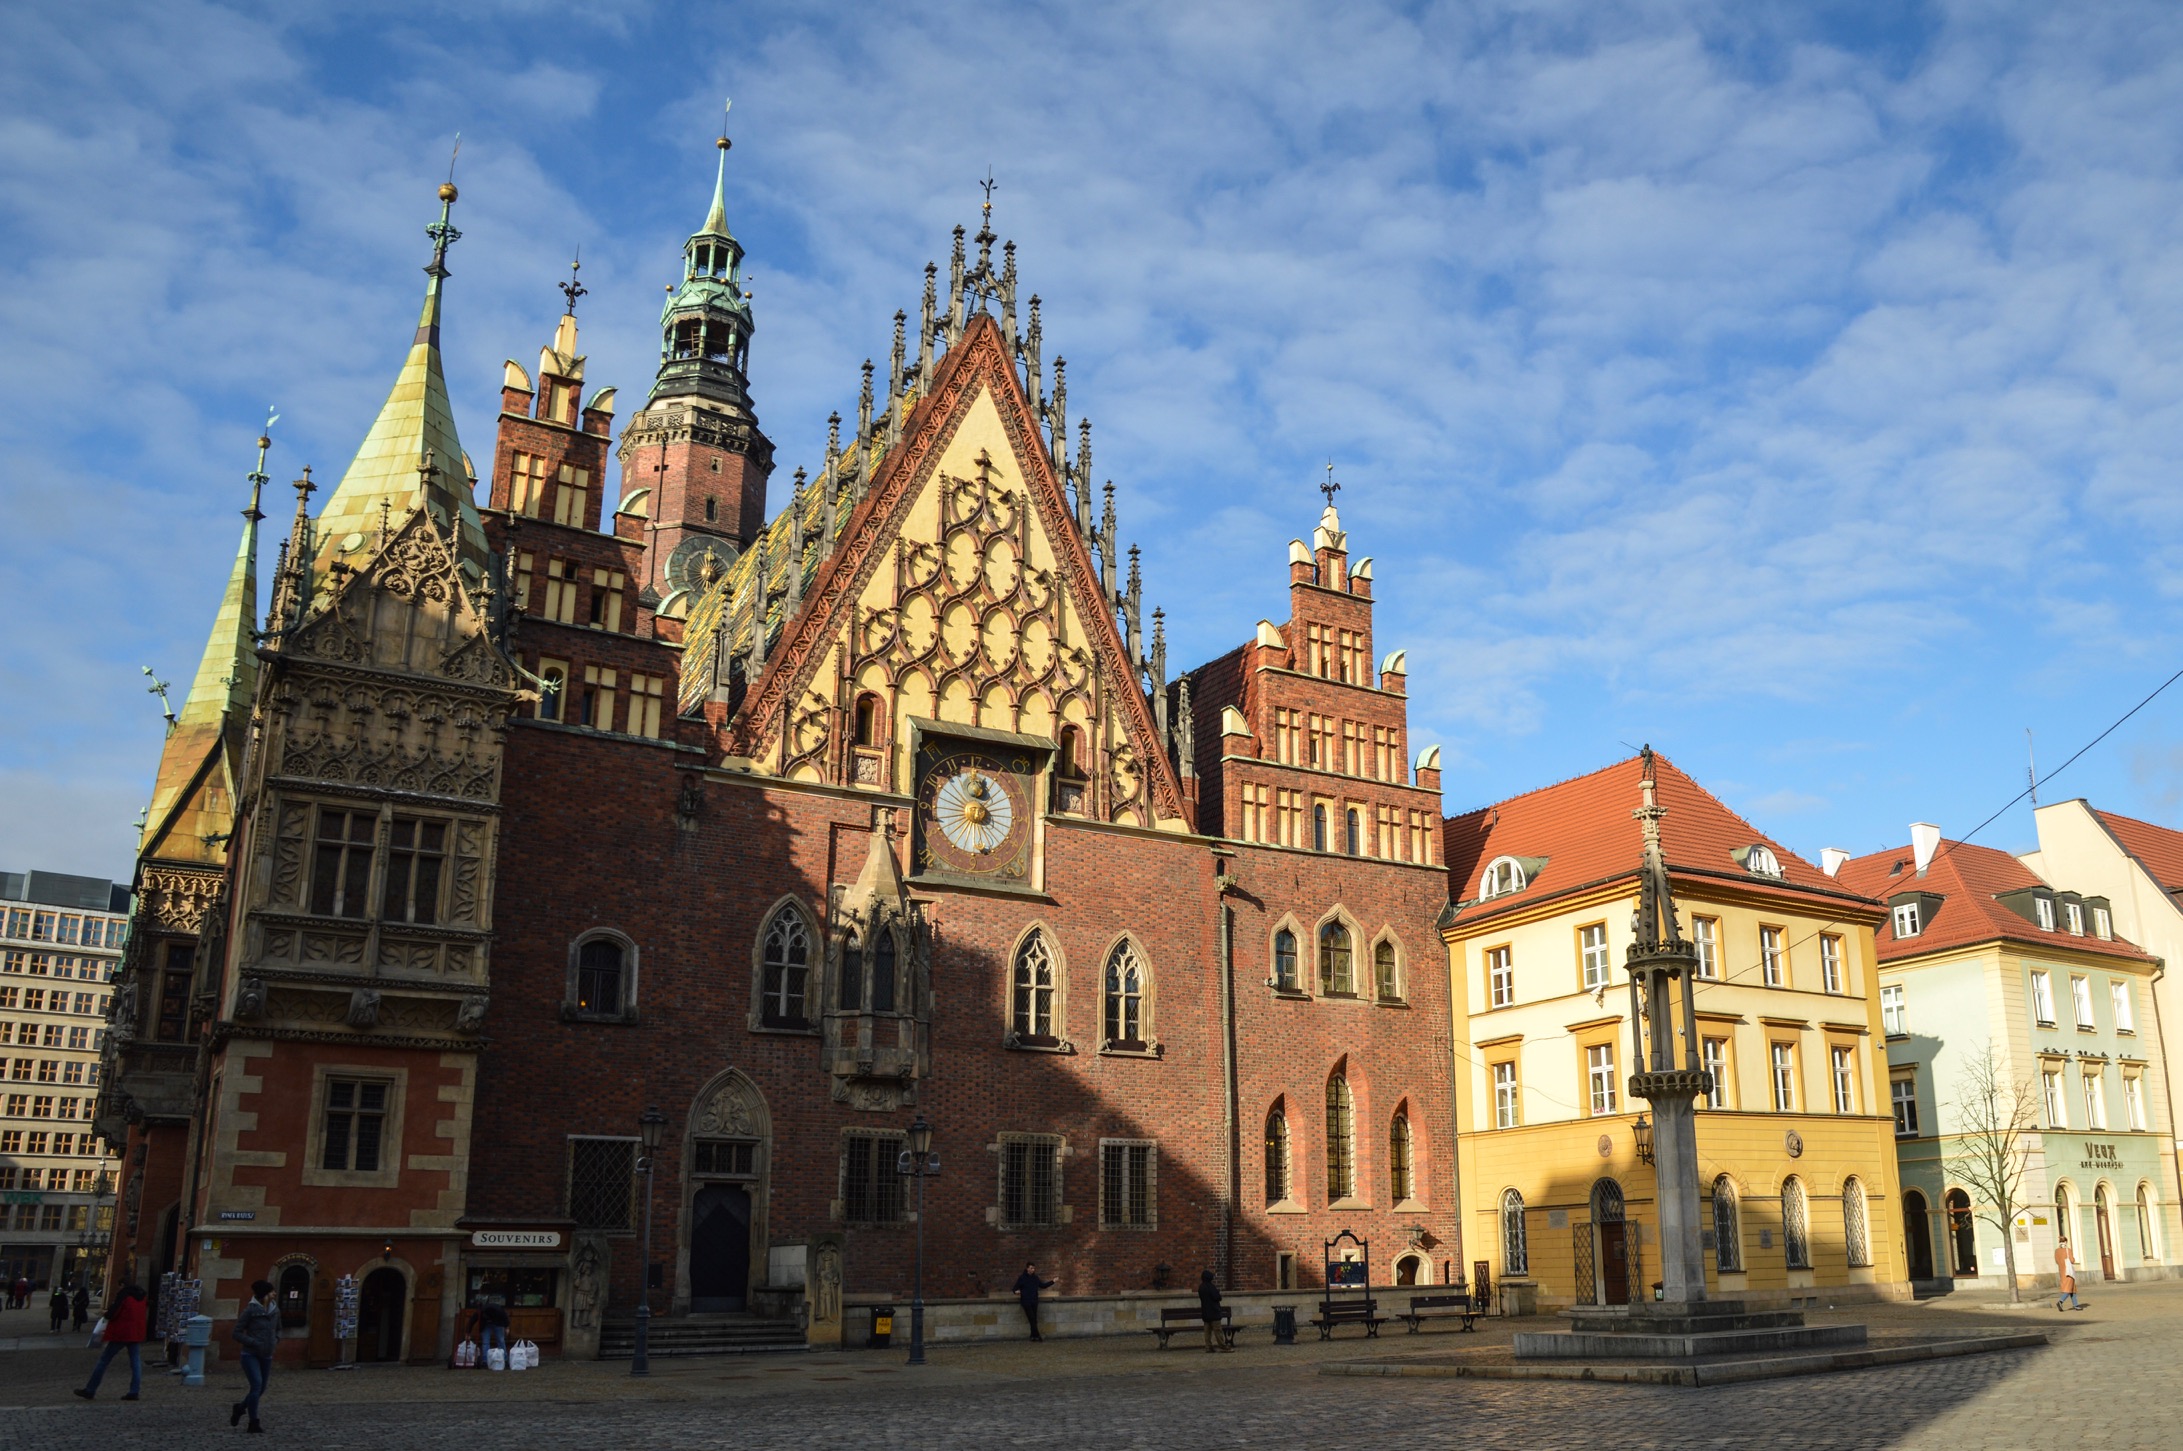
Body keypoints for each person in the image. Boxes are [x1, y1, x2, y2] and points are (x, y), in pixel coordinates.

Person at [74, 1282, 148, 1401]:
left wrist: (106, 1314)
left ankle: (90, 1389)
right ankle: (134, 1390)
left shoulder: (124, 1296)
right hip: (135, 1332)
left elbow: (113, 1313)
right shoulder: (141, 1297)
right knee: (135, 1362)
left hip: (121, 1332)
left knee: (104, 1360)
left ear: (122, 1286)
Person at [231, 1279, 277, 1433]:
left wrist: (275, 1340)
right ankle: (253, 1422)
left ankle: (240, 1408)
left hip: (267, 1354)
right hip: (250, 1354)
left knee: (261, 1388)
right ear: (264, 1294)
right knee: (256, 1385)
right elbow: (236, 1333)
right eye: (271, 1291)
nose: (274, 1294)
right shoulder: (250, 1310)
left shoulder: (275, 1311)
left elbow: (279, 1329)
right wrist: (253, 1342)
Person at [1012, 1263, 1055, 1342]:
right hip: (1026, 1301)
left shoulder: (1035, 1278)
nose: (1033, 1270)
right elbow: (1014, 1288)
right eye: (1031, 1268)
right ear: (1027, 1268)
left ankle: (1032, 1336)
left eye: (1034, 1268)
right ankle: (1038, 1336)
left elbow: (1043, 1286)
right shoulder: (1022, 1278)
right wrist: (1016, 1292)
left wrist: (1052, 1281)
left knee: (1034, 1319)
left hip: (1034, 1301)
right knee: (1031, 1318)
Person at [1197, 1269, 1232, 1353]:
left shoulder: (1201, 1287)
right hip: (1214, 1312)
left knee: (1207, 1332)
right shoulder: (1211, 1286)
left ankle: (1208, 1346)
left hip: (1205, 1312)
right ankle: (1223, 1346)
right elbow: (1217, 1297)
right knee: (1218, 1330)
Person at [477, 1295, 511, 1367]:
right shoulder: (481, 1311)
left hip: (498, 1323)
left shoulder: (498, 1310)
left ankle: (504, 1359)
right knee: (486, 1342)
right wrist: (468, 1331)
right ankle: (485, 1361)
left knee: (500, 1341)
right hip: (486, 1324)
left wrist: (507, 1327)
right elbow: (473, 1320)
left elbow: (504, 1316)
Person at [2055, 1239, 2086, 1311]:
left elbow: (2057, 1261)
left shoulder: (2056, 1251)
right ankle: (2060, 1301)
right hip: (2069, 1272)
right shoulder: (2068, 1250)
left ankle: (2076, 1305)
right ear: (2065, 1242)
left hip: (2062, 1271)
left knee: (2072, 1289)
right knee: (2068, 1289)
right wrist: (2073, 1259)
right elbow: (2072, 1260)